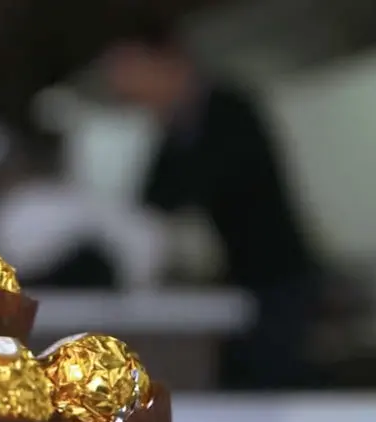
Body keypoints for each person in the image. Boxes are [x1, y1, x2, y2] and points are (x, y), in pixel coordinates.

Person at [99, 17, 323, 389]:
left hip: (278, 278)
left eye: (128, 69)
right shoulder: (174, 128)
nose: (123, 86)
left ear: (165, 62)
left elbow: (210, 183)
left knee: (271, 382)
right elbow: (151, 202)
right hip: (239, 282)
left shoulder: (230, 110)